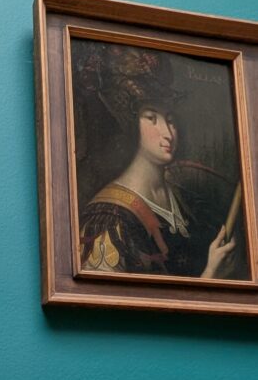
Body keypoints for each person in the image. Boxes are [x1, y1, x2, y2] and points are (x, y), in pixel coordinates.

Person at [78, 45, 236, 279]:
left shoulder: (184, 197)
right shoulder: (108, 219)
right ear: (132, 126)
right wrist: (211, 274)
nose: (168, 133)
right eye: (151, 118)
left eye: (170, 120)